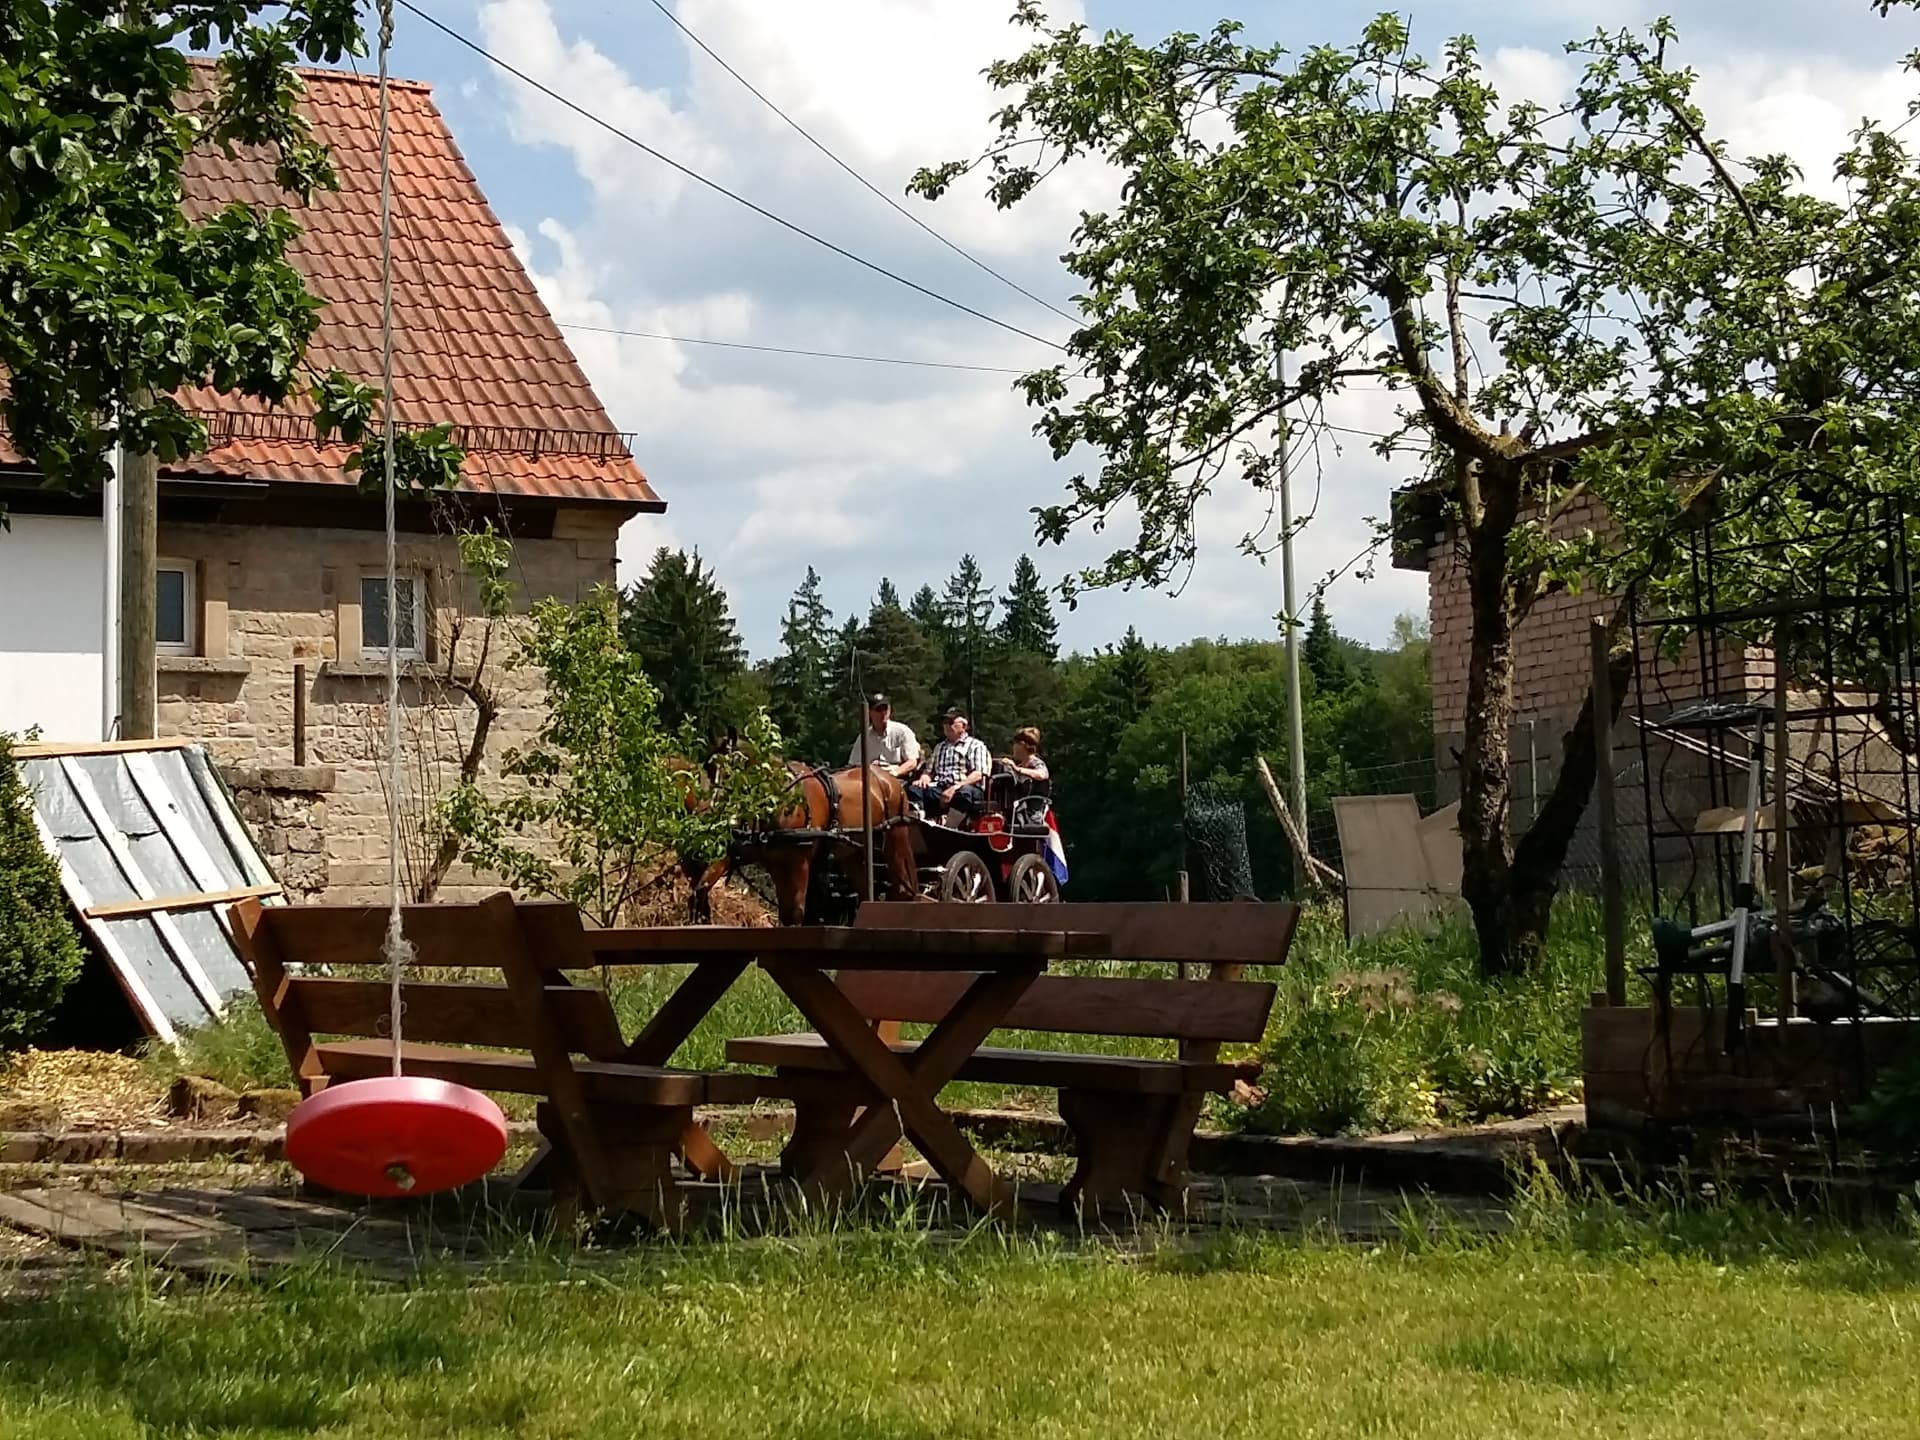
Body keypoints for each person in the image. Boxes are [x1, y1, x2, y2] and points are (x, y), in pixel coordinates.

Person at [910, 709, 991, 824]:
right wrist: (924, 778)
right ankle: (921, 822)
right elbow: (929, 771)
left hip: (965, 787)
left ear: (964, 726)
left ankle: (950, 826)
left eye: (951, 722)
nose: (947, 726)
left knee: (965, 793)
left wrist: (954, 788)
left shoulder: (976, 746)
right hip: (940, 787)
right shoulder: (940, 747)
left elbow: (978, 774)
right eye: (945, 723)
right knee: (914, 789)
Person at [847, 693, 920, 779]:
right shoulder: (864, 736)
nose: (883, 713)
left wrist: (895, 772)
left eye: (885, 709)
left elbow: (912, 762)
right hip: (871, 778)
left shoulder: (902, 731)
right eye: (879, 710)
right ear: (870, 712)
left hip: (896, 778)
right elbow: (854, 764)